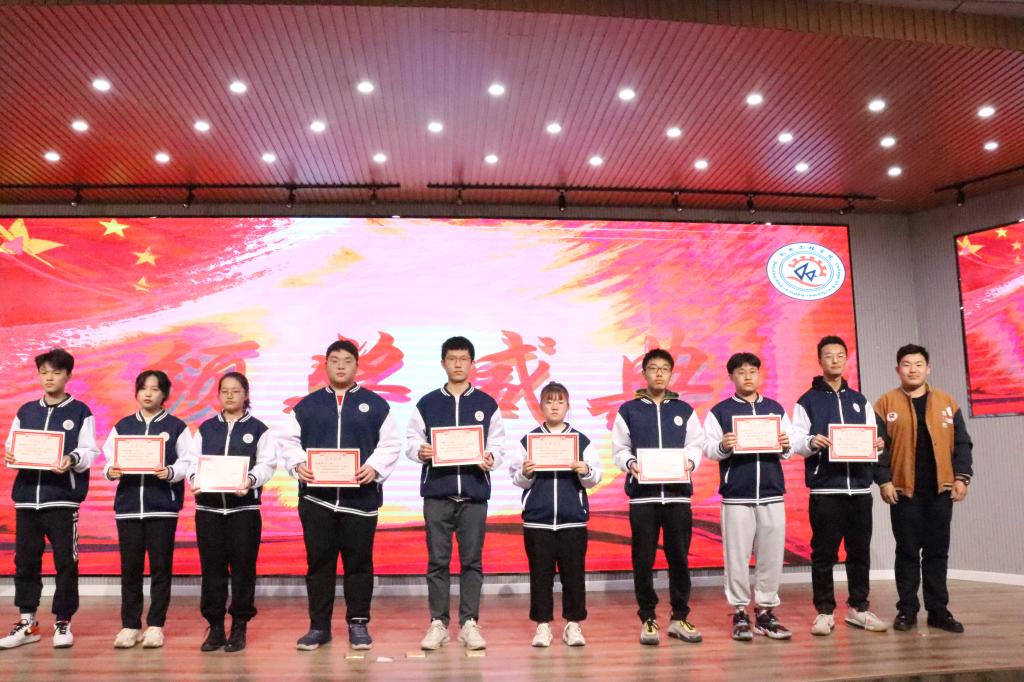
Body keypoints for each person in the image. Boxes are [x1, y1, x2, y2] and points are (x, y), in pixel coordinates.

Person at [279, 339, 401, 651]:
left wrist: (374, 467)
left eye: (347, 360)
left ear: (357, 366)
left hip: (360, 502)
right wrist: (298, 464)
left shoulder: (376, 405)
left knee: (359, 564)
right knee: (319, 564)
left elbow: (390, 444)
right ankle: (319, 627)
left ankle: (358, 624)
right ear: (326, 365)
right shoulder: (307, 406)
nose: (341, 366)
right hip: (316, 501)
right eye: (335, 360)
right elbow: (288, 442)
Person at [407, 336, 505, 651]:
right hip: (437, 495)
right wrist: (419, 450)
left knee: (472, 562)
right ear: (443, 363)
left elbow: (498, 444)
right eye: (452, 359)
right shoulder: (427, 403)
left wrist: (491, 458)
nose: (458, 364)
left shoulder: (487, 404)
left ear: (472, 363)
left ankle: (469, 624)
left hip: (474, 496)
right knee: (437, 562)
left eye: (464, 359)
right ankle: (438, 623)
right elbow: (411, 441)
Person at [0, 349, 99, 650]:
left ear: (68, 375)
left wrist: (71, 459)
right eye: (44, 372)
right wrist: (11, 455)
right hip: (27, 500)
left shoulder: (80, 411)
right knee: (25, 562)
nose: (49, 378)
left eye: (56, 372)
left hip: (62, 500)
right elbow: (12, 447)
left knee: (66, 562)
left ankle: (63, 621)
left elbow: (89, 451)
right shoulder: (26, 411)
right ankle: (27, 622)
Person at [791, 335, 888, 636]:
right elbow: (794, 441)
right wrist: (811, 442)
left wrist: (878, 445)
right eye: (828, 355)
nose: (835, 360)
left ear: (847, 359)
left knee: (859, 552)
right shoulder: (807, 401)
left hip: (860, 489)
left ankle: (859, 608)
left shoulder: (860, 400)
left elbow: (873, 437)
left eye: (840, 355)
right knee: (824, 554)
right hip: (826, 490)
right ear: (819, 361)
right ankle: (824, 612)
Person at [874, 344, 973, 633]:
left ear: (928, 369)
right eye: (907, 364)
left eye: (919, 364)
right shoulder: (885, 404)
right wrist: (884, 480)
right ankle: (906, 611)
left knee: (937, 552)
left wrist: (962, 477)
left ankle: (938, 611)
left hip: (940, 491)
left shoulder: (947, 402)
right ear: (898, 370)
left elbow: (962, 443)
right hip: (904, 492)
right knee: (906, 552)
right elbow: (877, 448)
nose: (913, 369)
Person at [612, 348, 704, 646]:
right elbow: (619, 449)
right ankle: (648, 618)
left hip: (678, 497)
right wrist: (630, 464)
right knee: (643, 559)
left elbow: (696, 445)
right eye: (653, 368)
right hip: (643, 498)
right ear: (644, 373)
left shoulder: (684, 410)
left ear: (671, 373)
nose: (659, 373)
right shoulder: (629, 410)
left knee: (679, 558)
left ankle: (679, 617)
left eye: (665, 368)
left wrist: (689, 464)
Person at [703, 352, 793, 641]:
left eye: (752, 371)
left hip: (772, 493)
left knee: (771, 556)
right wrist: (723, 445)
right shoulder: (720, 411)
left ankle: (765, 612)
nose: (748, 376)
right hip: (736, 496)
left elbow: (789, 448)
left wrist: (785, 444)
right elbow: (708, 449)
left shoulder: (775, 409)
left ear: (760, 374)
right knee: (736, 557)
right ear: (731, 377)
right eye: (741, 372)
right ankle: (740, 611)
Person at [101, 370, 194, 650]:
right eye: (143, 388)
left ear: (164, 394)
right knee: (130, 569)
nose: (148, 394)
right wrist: (111, 471)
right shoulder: (123, 426)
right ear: (136, 392)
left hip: (162, 508)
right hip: (129, 507)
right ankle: (130, 625)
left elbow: (188, 462)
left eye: (155, 389)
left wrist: (171, 472)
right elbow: (108, 460)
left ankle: (155, 625)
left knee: (160, 569)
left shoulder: (176, 427)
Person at [188, 372, 277, 653]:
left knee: (243, 570)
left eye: (236, 391)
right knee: (211, 570)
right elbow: (191, 462)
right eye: (224, 391)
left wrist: (249, 480)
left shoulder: (260, 430)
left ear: (246, 395)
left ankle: (239, 626)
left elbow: (267, 464)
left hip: (244, 511)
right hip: (209, 510)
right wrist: (195, 479)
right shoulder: (206, 429)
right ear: (218, 395)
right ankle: (215, 627)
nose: (229, 396)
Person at [509, 382, 602, 648]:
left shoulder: (581, 441)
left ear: (567, 406)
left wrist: (585, 470)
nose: (554, 406)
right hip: (537, 520)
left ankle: (573, 625)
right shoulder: (528, 441)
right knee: (540, 576)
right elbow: (516, 477)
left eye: (560, 402)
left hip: (572, 519)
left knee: (574, 575)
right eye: (549, 401)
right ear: (541, 406)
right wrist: (525, 473)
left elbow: (595, 476)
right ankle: (543, 626)